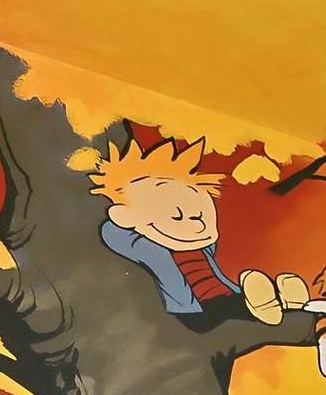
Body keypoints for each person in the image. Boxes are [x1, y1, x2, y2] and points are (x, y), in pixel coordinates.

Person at [87, 138, 307, 325]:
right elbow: (112, 233)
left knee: (238, 303)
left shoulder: (203, 246)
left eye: (198, 216)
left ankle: (287, 305)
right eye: (176, 216)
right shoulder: (145, 247)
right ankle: (274, 305)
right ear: (126, 216)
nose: (194, 224)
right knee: (232, 309)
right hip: (193, 309)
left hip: (228, 293)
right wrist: (130, 214)